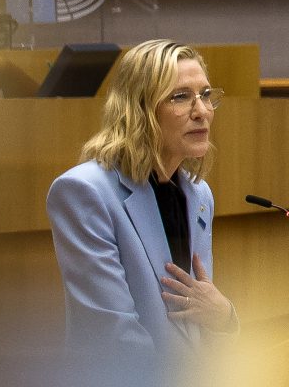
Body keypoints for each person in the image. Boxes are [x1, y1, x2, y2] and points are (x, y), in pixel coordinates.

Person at [45, 38, 238, 356]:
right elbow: (113, 334)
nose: (202, 111)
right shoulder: (85, 192)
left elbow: (197, 319)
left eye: (205, 95)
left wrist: (227, 316)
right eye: (181, 97)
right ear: (140, 109)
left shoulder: (198, 193)